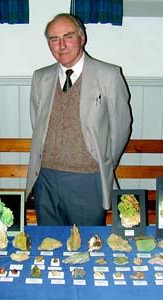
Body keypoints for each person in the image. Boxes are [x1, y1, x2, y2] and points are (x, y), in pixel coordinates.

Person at [25, 13, 132, 226]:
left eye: (68, 36)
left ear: (82, 38)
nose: (61, 45)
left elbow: (121, 127)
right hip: (45, 179)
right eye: (54, 39)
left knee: (87, 248)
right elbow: (37, 122)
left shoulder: (109, 75)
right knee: (49, 247)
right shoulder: (40, 78)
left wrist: (100, 161)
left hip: (87, 180)